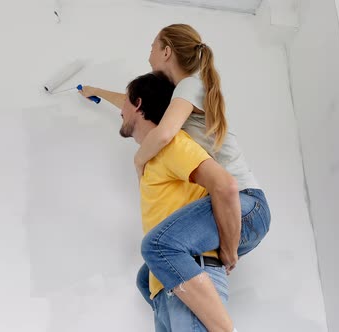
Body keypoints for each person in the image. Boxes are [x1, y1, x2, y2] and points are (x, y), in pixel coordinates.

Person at [81, 24, 271, 330]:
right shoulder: (178, 97)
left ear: (167, 51)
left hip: (245, 203)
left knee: (157, 246)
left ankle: (223, 327)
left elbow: (165, 131)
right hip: (233, 204)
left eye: (153, 47)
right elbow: (134, 104)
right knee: (148, 278)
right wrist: (96, 92)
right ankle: (180, 306)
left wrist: (140, 158)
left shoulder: (189, 86)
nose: (149, 56)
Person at [120, 71, 239, 331]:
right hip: (169, 289)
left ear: (138, 104)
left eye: (124, 103)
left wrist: (230, 251)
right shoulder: (151, 159)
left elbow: (224, 184)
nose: (120, 109)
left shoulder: (173, 145)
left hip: (189, 283)